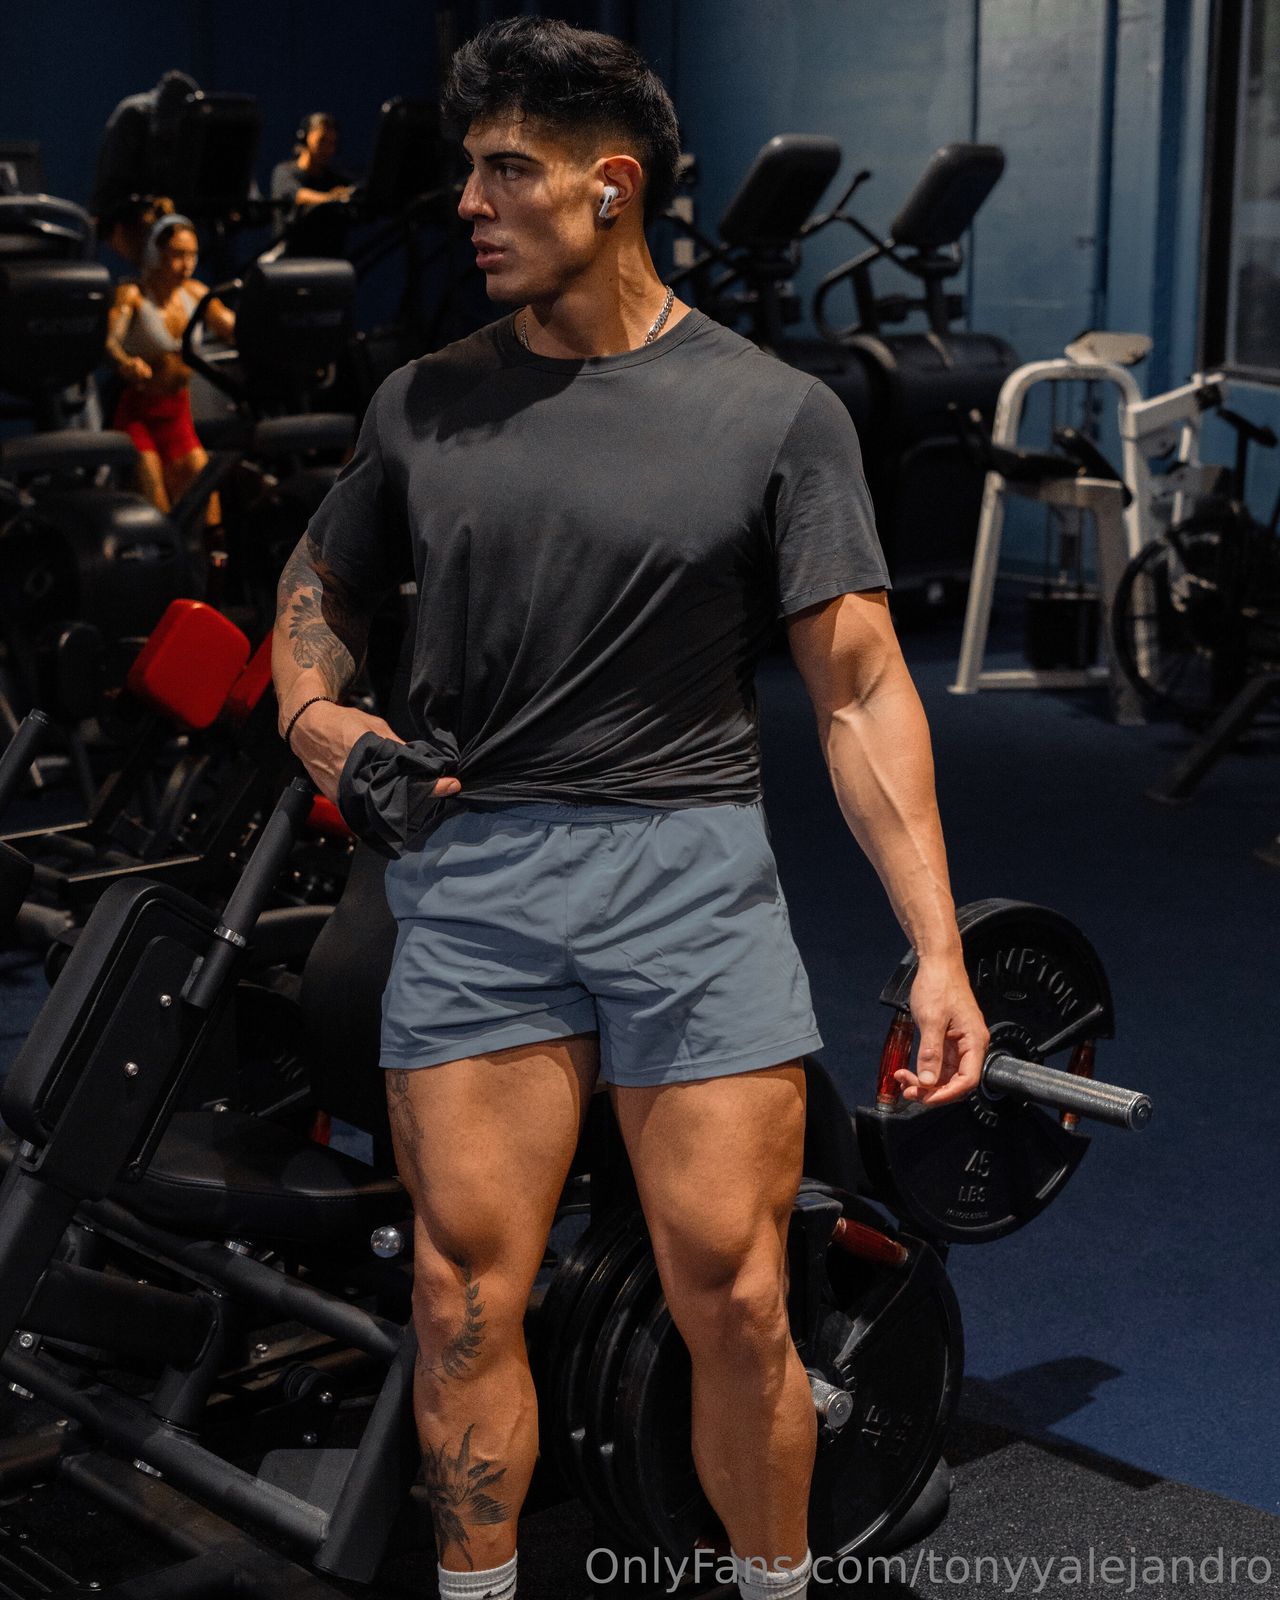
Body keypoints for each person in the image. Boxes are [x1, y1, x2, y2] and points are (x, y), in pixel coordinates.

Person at [271, 17, 989, 1600]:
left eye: (505, 171)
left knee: (737, 1296)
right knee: (462, 1299)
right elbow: (314, 594)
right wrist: (320, 722)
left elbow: (862, 691)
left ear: (610, 186)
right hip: (478, 874)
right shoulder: (423, 402)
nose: (471, 202)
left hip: (689, 870)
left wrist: (938, 950)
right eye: (468, 170)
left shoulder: (774, 414)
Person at [103, 213, 235, 520]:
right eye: (177, 254)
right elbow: (108, 342)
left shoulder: (196, 294)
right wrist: (126, 363)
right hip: (139, 417)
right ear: (155, 254)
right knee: (157, 509)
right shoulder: (133, 295)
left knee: (208, 507)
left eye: (192, 255)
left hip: (177, 416)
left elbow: (235, 328)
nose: (186, 264)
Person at [270, 112, 355, 219]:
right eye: (322, 140)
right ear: (305, 138)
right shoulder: (284, 172)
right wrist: (333, 198)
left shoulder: (335, 178)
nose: (327, 149)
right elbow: (300, 196)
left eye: (332, 143)